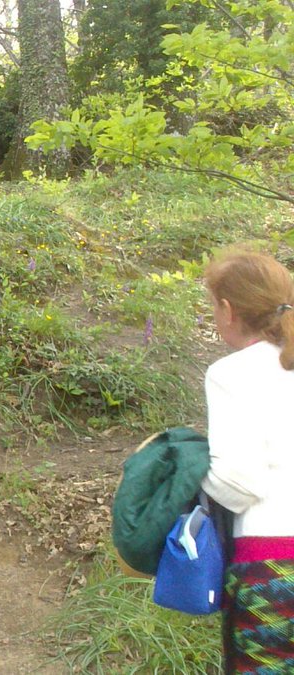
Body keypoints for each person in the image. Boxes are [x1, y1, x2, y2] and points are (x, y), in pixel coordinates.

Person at [199, 249, 294, 674]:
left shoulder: (230, 373)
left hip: (273, 563)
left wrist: (194, 468)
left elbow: (239, 484)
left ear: (227, 309)